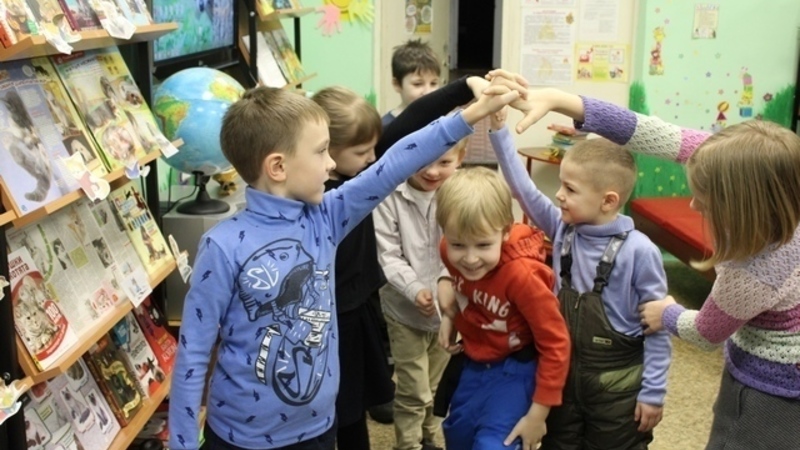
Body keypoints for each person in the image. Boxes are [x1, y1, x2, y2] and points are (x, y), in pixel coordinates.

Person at [168, 85, 521, 450]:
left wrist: (472, 114)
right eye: (321, 151)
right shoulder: (222, 246)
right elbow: (194, 352)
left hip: (319, 430)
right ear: (278, 166)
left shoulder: (326, 217)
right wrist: (182, 443)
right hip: (241, 440)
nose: (331, 163)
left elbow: (394, 163)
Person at [498, 78, 800, 449]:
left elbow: (706, 333)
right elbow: (646, 131)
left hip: (775, 386)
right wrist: (561, 99)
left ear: (742, 208)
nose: (694, 205)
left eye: (706, 202)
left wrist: (667, 313)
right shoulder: (738, 164)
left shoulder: (754, 271)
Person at [311, 75, 503, 450]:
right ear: (328, 151)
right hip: (330, 313)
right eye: (364, 152)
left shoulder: (361, 166)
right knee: (338, 406)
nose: (374, 158)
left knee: (357, 403)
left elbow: (412, 120)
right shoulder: (334, 192)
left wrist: (466, 87)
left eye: (374, 148)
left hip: (361, 306)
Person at [488, 100, 671, 449]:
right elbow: (523, 190)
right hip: (563, 380)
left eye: (570, 189)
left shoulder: (640, 251)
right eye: (561, 185)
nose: (558, 195)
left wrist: (654, 392)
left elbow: (658, 327)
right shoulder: (562, 229)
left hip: (616, 390)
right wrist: (499, 130)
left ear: (608, 201)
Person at [435, 166, 571, 450]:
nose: (470, 258)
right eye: (458, 244)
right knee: (458, 436)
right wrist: (450, 314)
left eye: (483, 245)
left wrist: (538, 414)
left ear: (506, 232)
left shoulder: (523, 277)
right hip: (474, 362)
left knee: (494, 444)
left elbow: (556, 343)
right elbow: (462, 285)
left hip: (516, 369)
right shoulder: (448, 250)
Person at [373, 138, 467, 450]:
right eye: (423, 161)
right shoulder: (389, 194)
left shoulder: (459, 192)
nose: (432, 171)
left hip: (448, 312)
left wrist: (444, 285)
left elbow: (460, 246)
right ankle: (408, 444)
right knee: (413, 390)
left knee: (435, 386)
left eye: (444, 162)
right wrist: (415, 289)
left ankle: (428, 438)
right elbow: (387, 254)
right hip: (404, 311)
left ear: (460, 158)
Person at [383, 38, 441, 127]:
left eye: (433, 83)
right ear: (397, 84)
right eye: (418, 84)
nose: (428, 92)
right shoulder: (385, 127)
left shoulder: (442, 121)